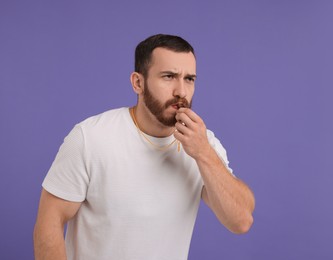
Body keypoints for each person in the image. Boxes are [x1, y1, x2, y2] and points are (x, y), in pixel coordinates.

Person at [33, 34, 255, 260]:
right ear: (138, 83)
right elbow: (48, 224)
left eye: (189, 79)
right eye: (169, 76)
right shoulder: (90, 137)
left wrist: (204, 153)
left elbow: (241, 220)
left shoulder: (201, 144)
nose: (181, 91)